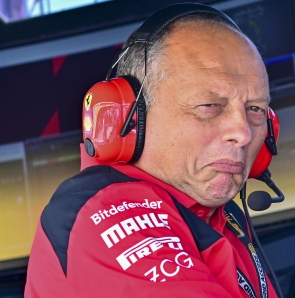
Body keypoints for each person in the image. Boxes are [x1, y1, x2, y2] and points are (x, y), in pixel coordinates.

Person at [25, 3, 279, 298]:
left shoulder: (218, 214)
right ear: (132, 119)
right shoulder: (109, 214)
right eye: (209, 106)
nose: (244, 133)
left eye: (256, 109)